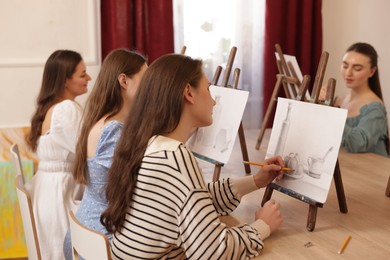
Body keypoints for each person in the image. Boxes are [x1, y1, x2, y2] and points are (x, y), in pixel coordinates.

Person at [100, 54, 284, 259]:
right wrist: (262, 226)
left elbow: (197, 198)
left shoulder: (149, 144)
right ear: (189, 92)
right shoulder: (175, 158)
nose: (214, 101)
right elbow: (214, 252)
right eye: (208, 89)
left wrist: (256, 181)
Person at [62, 49, 147, 259]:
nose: (151, 87)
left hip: (86, 230)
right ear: (124, 81)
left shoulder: (105, 120)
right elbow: (139, 185)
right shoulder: (113, 130)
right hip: (98, 239)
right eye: (146, 79)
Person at [25, 50, 91, 259]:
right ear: (65, 80)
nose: (89, 78)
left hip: (49, 192)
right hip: (59, 195)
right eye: (82, 74)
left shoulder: (54, 108)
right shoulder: (66, 109)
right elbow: (87, 153)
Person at [335, 42, 389, 157]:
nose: (348, 73)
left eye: (357, 68)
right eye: (345, 66)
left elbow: (357, 143)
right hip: (349, 165)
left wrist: (332, 112)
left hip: (371, 171)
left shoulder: (375, 108)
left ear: (372, 71)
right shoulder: (338, 100)